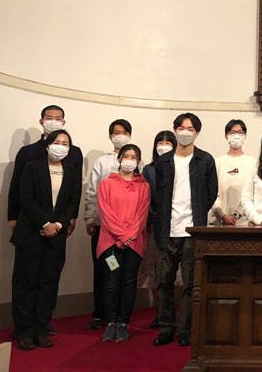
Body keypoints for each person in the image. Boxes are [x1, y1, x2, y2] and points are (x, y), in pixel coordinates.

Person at [7, 104, 83, 338]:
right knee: (26, 280)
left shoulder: (74, 157)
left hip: (58, 229)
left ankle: (42, 325)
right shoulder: (29, 155)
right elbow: (20, 191)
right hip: (30, 227)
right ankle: (24, 329)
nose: (61, 147)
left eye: (65, 143)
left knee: (49, 280)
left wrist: (64, 221)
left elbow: (74, 195)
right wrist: (14, 217)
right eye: (50, 118)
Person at [151, 113, 218, 347]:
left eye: (190, 129)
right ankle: (166, 327)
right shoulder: (163, 161)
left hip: (192, 231)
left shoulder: (205, 160)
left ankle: (185, 329)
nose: (185, 132)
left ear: (197, 133)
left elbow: (211, 193)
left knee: (191, 283)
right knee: (164, 283)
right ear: (175, 131)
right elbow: (156, 195)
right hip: (166, 230)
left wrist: (197, 214)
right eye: (181, 128)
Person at [97, 144, 151, 343]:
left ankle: (123, 322)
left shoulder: (144, 186)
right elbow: (105, 213)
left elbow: (142, 215)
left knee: (129, 282)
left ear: (138, 161)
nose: (129, 160)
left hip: (134, 243)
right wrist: (122, 235)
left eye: (134, 157)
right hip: (110, 243)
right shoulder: (106, 184)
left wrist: (130, 235)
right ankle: (111, 321)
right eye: (126, 156)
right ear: (119, 159)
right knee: (111, 282)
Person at [83, 118, 133, 330]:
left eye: (124, 132)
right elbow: (92, 192)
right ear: (111, 136)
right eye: (116, 132)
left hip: (127, 232)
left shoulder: (135, 161)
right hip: (103, 229)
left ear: (130, 136)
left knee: (123, 273)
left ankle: (119, 315)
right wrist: (90, 218)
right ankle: (100, 313)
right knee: (103, 270)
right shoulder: (102, 162)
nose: (120, 136)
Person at [8, 105, 83, 236]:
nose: (53, 122)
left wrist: (73, 216)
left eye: (58, 119)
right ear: (41, 121)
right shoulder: (27, 151)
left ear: (63, 122)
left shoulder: (74, 152)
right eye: (49, 118)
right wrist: (13, 216)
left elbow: (76, 188)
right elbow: (16, 184)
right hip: (28, 218)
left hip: (59, 219)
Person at [141, 130, 177, 329]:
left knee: (177, 273)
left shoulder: (181, 166)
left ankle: (177, 313)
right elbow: (146, 198)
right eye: (160, 142)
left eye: (168, 142)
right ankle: (161, 312)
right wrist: (151, 220)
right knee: (157, 271)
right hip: (157, 225)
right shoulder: (149, 169)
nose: (164, 145)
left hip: (179, 224)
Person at [210, 119, 257, 226]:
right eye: (232, 132)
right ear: (226, 136)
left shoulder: (252, 162)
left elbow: (254, 192)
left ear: (245, 136)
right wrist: (222, 214)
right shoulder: (218, 162)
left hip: (245, 221)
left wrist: (239, 212)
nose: (236, 136)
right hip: (219, 221)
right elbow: (212, 192)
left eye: (240, 133)